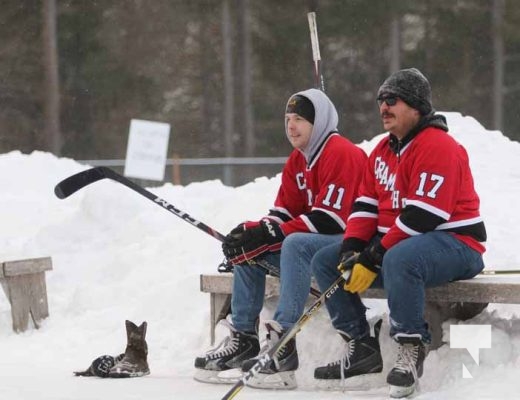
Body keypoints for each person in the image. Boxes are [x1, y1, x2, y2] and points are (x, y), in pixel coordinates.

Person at [311, 68, 487, 398]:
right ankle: (360, 345)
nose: (383, 107)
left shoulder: (438, 146)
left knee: (399, 258)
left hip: (456, 244)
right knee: (325, 260)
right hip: (404, 244)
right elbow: (365, 207)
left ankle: (410, 346)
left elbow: (424, 215)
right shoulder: (381, 151)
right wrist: (352, 248)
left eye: (392, 100)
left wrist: (375, 254)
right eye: (380, 101)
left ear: (416, 105)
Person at [193, 88, 367, 388]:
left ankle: (283, 343)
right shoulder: (298, 160)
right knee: (251, 247)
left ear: (319, 122)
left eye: (299, 118)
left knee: (294, 243)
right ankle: (244, 338)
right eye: (287, 119)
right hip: (320, 240)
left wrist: (273, 232)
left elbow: (332, 219)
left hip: (351, 242)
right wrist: (257, 231)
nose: (291, 126)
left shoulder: (341, 152)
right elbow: (283, 213)